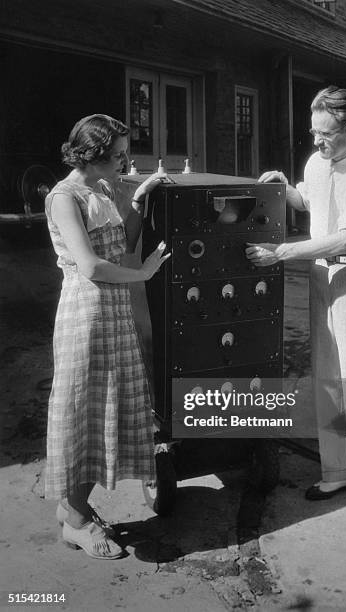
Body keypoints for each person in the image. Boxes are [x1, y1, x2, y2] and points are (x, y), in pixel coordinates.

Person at [246, 86, 346, 534]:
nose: (317, 142)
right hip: (320, 277)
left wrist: (280, 253)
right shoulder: (317, 162)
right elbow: (313, 202)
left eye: (326, 134)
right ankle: (336, 472)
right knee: (328, 380)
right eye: (313, 133)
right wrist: (286, 188)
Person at [44, 114, 170, 559]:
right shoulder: (65, 196)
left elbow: (121, 242)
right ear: (93, 155)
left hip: (113, 310)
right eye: (117, 155)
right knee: (88, 411)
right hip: (88, 310)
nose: (124, 160)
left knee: (109, 411)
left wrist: (138, 196)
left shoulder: (100, 190)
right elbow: (91, 265)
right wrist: (143, 274)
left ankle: (74, 507)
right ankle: (76, 520)